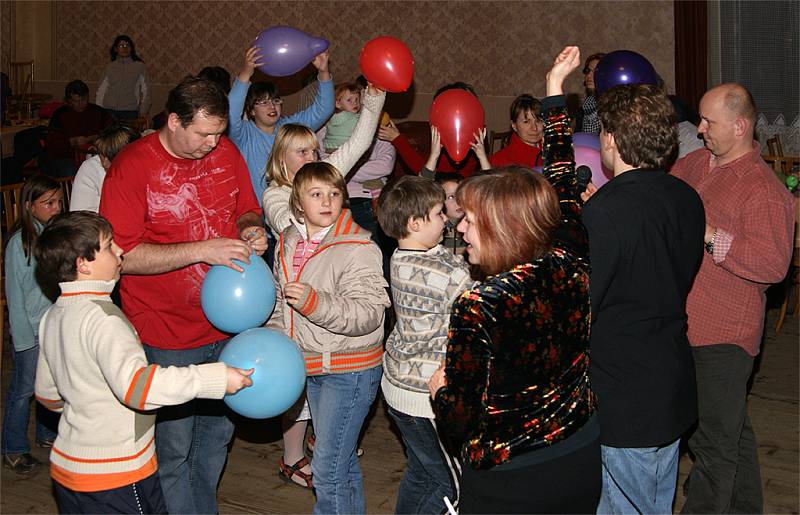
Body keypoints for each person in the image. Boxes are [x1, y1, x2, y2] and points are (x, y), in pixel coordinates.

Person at [428, 46, 600, 514]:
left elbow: (459, 420)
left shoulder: (480, 304)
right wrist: (554, 92)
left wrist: (438, 391)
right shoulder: (571, 257)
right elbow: (561, 180)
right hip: (580, 456)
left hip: (510, 480)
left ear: (503, 227)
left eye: (470, 220)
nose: (459, 227)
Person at [98, 76, 267, 514]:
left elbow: (248, 206)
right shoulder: (132, 167)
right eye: (204, 133)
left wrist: (251, 227)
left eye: (219, 133)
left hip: (229, 326)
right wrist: (202, 249)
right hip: (165, 332)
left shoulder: (224, 152)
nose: (214, 144)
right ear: (173, 121)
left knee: (213, 444)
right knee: (173, 451)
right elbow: (123, 257)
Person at [33, 210, 253, 514]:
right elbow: (138, 388)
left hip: (69, 469)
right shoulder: (105, 319)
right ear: (83, 265)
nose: (121, 250)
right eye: (109, 246)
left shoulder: (53, 316)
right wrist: (215, 378)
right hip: (115, 474)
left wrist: (87, 409)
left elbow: (47, 394)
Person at [579, 83, 705, 513]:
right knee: (654, 500)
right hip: (670, 375)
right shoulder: (688, 198)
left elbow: (584, 306)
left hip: (622, 391)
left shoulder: (603, 212)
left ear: (611, 140)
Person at [671, 83, 796, 514]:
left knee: (713, 446)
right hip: (687, 323)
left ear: (740, 126)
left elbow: (772, 264)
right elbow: (665, 199)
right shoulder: (694, 164)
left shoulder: (764, 190)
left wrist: (707, 235)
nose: (700, 129)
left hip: (723, 334)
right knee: (729, 429)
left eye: (709, 122)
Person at [267, 162, 390, 514]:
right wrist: (278, 345)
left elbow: (369, 314)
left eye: (334, 194)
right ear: (297, 204)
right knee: (340, 462)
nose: (327, 202)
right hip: (309, 365)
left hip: (349, 369)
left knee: (327, 468)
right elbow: (280, 306)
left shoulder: (359, 245)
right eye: (316, 194)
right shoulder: (288, 242)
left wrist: (314, 303)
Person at [376, 175, 474, 514]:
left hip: (398, 387)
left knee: (421, 474)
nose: (446, 218)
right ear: (415, 223)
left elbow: (444, 260)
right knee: (455, 486)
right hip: (425, 399)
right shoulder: (445, 274)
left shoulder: (401, 258)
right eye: (437, 214)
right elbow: (470, 291)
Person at [263, 84, 386, 238]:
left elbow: (359, 143)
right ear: (281, 156)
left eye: (314, 151)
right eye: (302, 152)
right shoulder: (274, 193)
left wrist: (373, 99)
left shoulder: (325, 173)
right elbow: (285, 224)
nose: (311, 158)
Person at [2, 175, 63, 476]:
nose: (56, 208)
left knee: (48, 382)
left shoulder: (49, 236)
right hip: (30, 331)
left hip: (49, 325)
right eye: (48, 203)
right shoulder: (20, 244)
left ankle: (46, 433)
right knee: (23, 389)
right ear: (29, 206)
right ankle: (13, 448)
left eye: (58, 202)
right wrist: (23, 340)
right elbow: (15, 297)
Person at [229, 45, 334, 201]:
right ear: (251, 110)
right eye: (263, 102)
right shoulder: (244, 134)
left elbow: (324, 108)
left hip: (296, 206)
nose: (272, 106)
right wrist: (246, 73)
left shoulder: (290, 128)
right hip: (257, 214)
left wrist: (323, 71)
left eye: (276, 101)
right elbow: (230, 112)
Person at [378, 82, 481, 177]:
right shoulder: (441, 134)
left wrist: (398, 139)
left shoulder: (474, 136)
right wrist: (397, 138)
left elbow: (426, 172)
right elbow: (424, 171)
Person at [44, 80, 113, 177]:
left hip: (95, 155)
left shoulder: (98, 112)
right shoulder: (60, 114)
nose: (81, 104)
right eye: (76, 101)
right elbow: (51, 144)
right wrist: (72, 142)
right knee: (70, 171)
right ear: (68, 101)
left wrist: (96, 138)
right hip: (68, 157)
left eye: (84, 99)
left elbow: (112, 134)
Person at [70, 123, 141, 212]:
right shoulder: (90, 169)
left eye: (111, 157)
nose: (104, 163)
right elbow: (80, 218)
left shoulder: (147, 167)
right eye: (101, 155)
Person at [96, 35, 150, 121]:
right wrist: (98, 110)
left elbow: (146, 90)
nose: (124, 48)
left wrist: (143, 110)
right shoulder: (110, 66)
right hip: (109, 110)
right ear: (116, 49)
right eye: (121, 46)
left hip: (130, 110)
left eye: (127, 46)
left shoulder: (139, 66)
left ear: (131, 48)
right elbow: (101, 90)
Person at [489, 94, 544, 169]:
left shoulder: (553, 153)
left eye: (538, 121)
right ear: (514, 125)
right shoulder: (500, 162)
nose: (534, 128)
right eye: (526, 122)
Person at [436, 173, 467, 256]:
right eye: (451, 197)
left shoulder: (476, 227)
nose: (459, 201)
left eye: (461, 194)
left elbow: (490, 191)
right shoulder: (436, 230)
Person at [575, 52, 605, 135]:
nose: (589, 76)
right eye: (587, 71)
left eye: (595, 71)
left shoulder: (614, 108)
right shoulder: (586, 106)